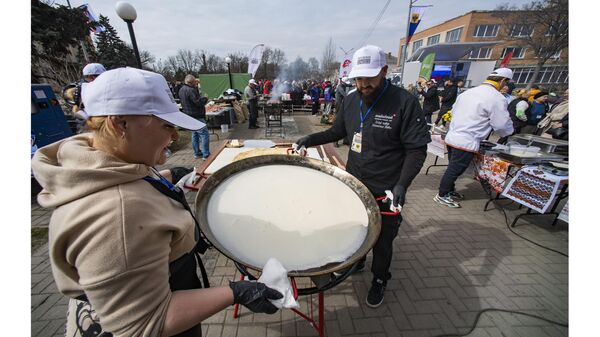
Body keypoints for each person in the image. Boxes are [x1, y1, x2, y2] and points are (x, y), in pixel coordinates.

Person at [31, 68, 282, 337]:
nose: (175, 136)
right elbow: (145, 323)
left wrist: (165, 177)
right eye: (166, 125)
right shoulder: (119, 216)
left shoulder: (108, 157)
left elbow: (126, 181)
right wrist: (235, 292)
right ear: (120, 124)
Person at [295, 45, 431, 308]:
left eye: (369, 77)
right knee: (355, 227)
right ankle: (357, 260)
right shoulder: (350, 99)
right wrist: (312, 138)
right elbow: (337, 131)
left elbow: (416, 150)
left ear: (384, 71)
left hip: (388, 187)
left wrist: (402, 184)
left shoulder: (405, 102)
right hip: (355, 182)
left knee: (382, 239)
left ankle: (380, 278)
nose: (363, 84)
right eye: (358, 78)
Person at [434, 68, 514, 208]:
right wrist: (508, 132)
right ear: (502, 81)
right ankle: (442, 194)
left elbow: (453, 112)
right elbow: (501, 125)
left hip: (453, 136)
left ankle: (449, 191)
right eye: (506, 83)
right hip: (466, 140)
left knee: (453, 167)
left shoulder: (468, 92)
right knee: (455, 170)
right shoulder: (496, 97)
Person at [179, 74, 210, 159]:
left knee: (195, 134)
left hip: (188, 115)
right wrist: (205, 98)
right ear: (190, 82)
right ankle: (206, 154)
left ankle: (197, 153)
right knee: (204, 135)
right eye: (194, 82)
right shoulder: (191, 90)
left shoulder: (181, 90)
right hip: (197, 115)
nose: (195, 83)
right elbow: (198, 102)